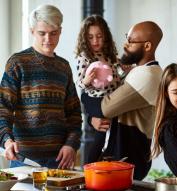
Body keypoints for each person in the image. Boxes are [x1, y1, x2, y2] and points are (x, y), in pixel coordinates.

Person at [0, 5, 82, 169]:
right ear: (32, 31)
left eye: (53, 33)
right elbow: (3, 107)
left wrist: (71, 144)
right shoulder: (17, 63)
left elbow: (74, 113)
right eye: (42, 33)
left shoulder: (63, 67)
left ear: (60, 31)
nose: (48, 39)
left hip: (59, 161)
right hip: (23, 159)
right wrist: (7, 140)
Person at [81, 21, 163, 180]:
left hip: (126, 161)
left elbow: (104, 108)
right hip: (118, 157)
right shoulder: (138, 72)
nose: (125, 45)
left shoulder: (147, 75)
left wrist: (84, 93)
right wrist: (93, 118)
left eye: (131, 41)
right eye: (127, 38)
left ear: (147, 46)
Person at [75, 15, 121, 164]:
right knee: (100, 134)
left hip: (112, 97)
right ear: (85, 39)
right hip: (96, 99)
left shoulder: (109, 56)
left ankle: (108, 162)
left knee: (113, 132)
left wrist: (124, 70)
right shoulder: (85, 57)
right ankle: (89, 167)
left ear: (105, 37)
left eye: (99, 36)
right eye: (90, 37)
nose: (95, 41)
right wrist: (87, 81)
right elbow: (80, 83)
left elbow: (117, 75)